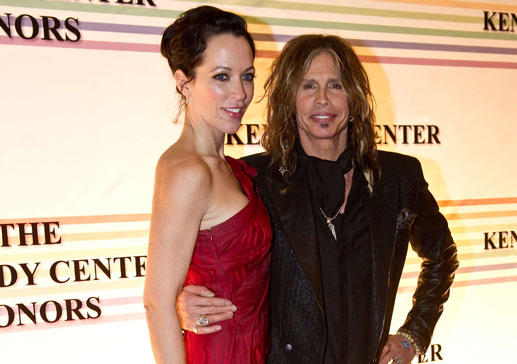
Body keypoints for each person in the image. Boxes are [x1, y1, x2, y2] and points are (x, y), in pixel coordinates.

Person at [178, 34, 459, 364]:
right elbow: (215, 266)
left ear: (353, 98)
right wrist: (181, 304)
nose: (322, 100)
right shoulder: (253, 179)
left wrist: (414, 334)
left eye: (336, 85)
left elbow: (442, 256)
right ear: (288, 99)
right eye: (308, 86)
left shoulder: (398, 177)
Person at [143, 6, 272, 364]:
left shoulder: (230, 167)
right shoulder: (186, 171)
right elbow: (156, 303)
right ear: (185, 82)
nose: (240, 93)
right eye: (221, 76)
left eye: (246, 76)